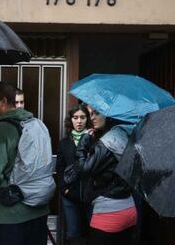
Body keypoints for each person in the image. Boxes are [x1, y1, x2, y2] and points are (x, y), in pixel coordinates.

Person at [0, 82, 50, 245]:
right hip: (38, 210)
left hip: (8, 217)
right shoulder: (37, 124)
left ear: (3, 102)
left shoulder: (1, 129)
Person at [64, 105, 138, 245]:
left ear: (109, 116)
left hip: (109, 211)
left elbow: (84, 170)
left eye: (97, 113)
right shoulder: (125, 134)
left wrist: (83, 143)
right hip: (129, 207)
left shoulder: (107, 142)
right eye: (91, 114)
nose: (92, 118)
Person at [56, 104, 91, 244]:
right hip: (70, 194)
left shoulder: (94, 140)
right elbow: (59, 168)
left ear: (87, 119)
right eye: (75, 117)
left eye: (82, 117)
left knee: (91, 231)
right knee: (72, 234)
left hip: (89, 194)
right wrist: (64, 188)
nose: (79, 121)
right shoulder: (64, 143)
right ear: (70, 120)